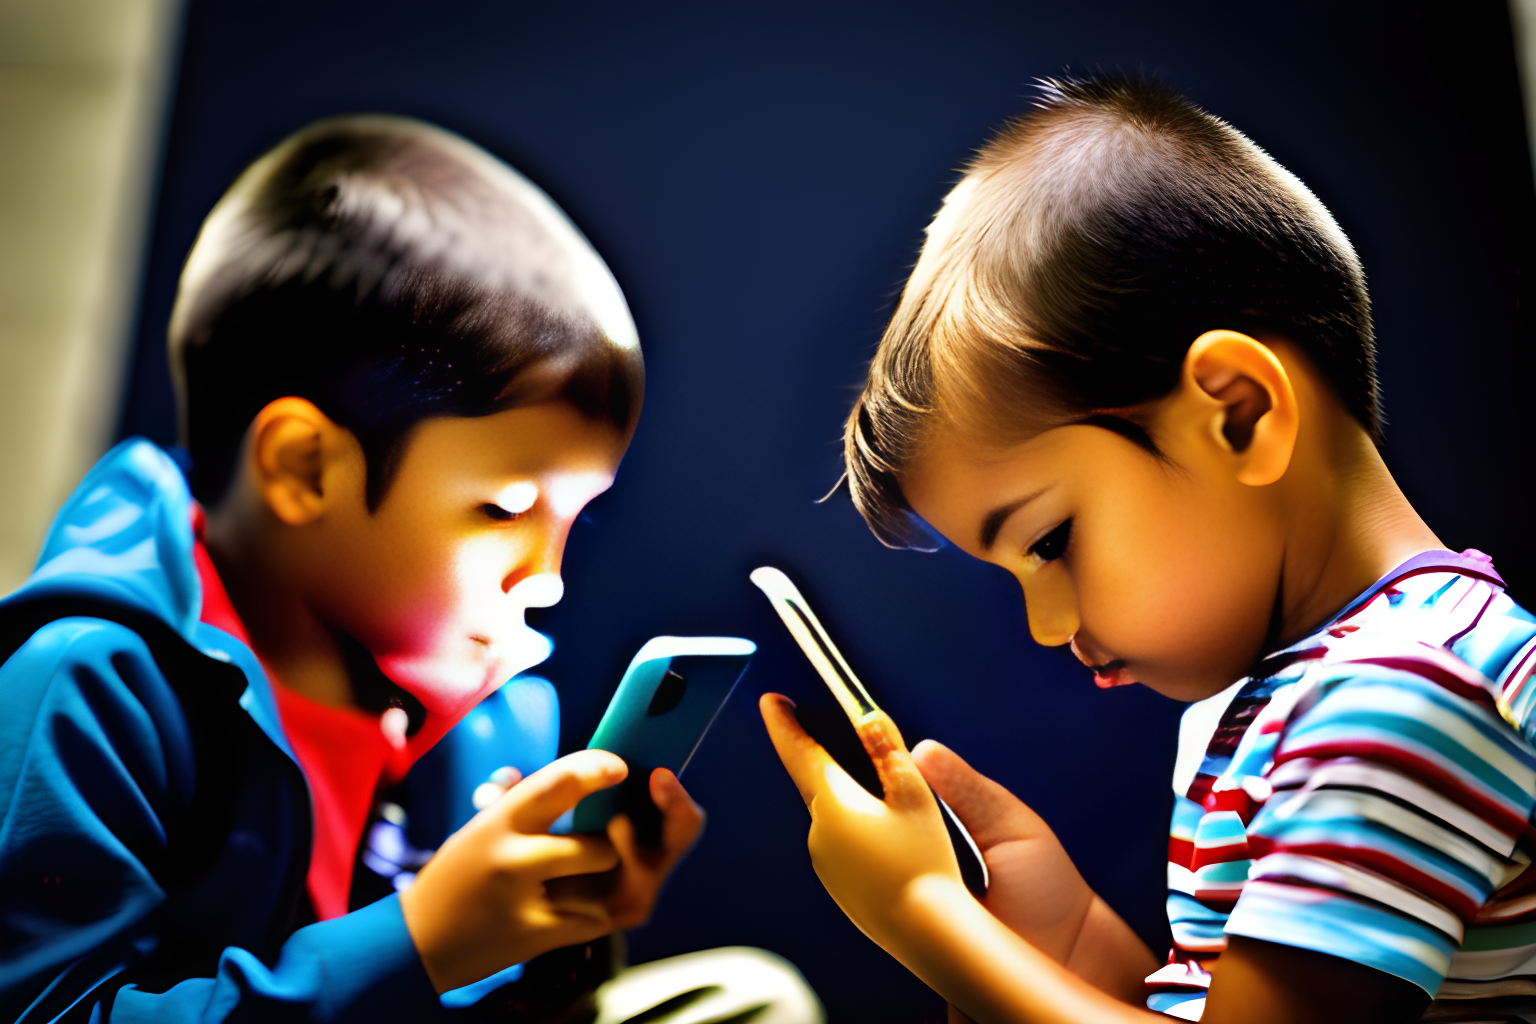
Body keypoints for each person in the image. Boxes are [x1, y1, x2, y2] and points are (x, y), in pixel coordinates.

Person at [0, 115, 821, 1024]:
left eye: (573, 519)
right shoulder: (91, 684)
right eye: (504, 509)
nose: (547, 576)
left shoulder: (496, 707)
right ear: (305, 468)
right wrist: (418, 940)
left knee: (751, 1000)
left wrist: (564, 918)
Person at [759, 74, 1536, 1023]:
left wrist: (924, 917)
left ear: (1238, 415)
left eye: (1050, 541)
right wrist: (1066, 932)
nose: (1050, 627)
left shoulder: (1409, 691)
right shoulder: (1293, 693)